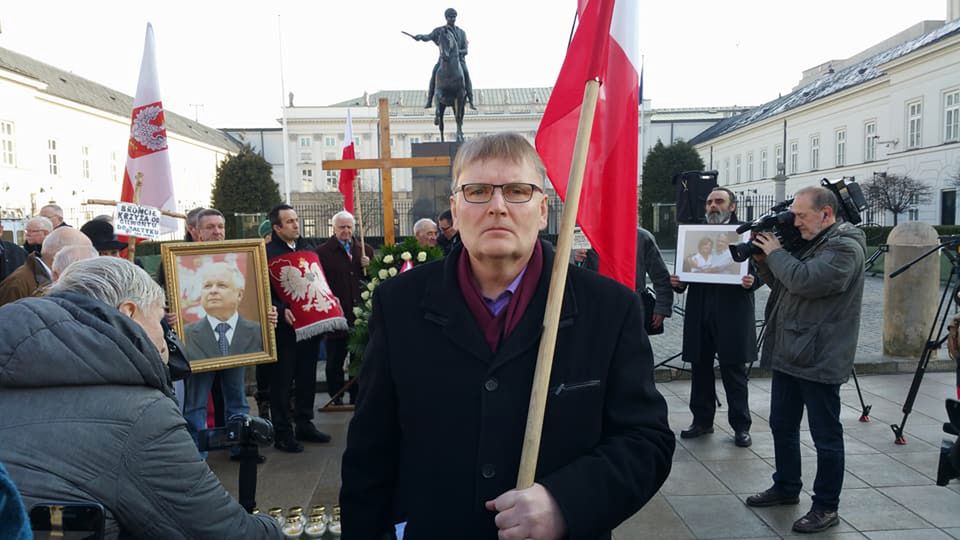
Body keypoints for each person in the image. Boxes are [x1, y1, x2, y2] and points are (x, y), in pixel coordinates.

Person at [341, 132, 674, 538]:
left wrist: (566, 502)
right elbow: (369, 452)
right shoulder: (399, 304)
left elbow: (646, 440)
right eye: (477, 191)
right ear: (455, 208)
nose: (497, 206)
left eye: (517, 191)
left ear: (542, 210)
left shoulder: (610, 308)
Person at [0, 257, 281, 538]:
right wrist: (274, 529)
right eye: (160, 320)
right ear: (129, 313)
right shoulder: (140, 414)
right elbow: (224, 532)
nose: (166, 336)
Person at [746, 186, 866, 534]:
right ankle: (786, 486)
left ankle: (826, 506)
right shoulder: (813, 242)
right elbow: (785, 285)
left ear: (826, 214)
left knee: (825, 436)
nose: (795, 222)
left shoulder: (845, 246)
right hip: (791, 351)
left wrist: (777, 253)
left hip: (820, 356)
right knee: (781, 425)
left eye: (802, 215)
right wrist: (764, 261)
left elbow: (806, 280)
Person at [671, 188, 757, 448]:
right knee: (699, 368)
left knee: (734, 370)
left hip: (733, 313)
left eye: (719, 201)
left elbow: (763, 268)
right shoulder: (695, 235)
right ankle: (702, 420)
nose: (712, 206)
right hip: (699, 312)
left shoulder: (746, 235)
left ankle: (741, 426)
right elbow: (686, 273)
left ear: (732, 207)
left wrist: (754, 281)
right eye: (709, 202)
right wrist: (677, 282)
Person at [182, 261, 265, 461]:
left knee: (237, 400)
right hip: (198, 360)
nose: (213, 291)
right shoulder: (187, 334)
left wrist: (268, 318)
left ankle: (240, 446)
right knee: (195, 404)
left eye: (222, 285)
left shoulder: (255, 330)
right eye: (207, 286)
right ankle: (196, 455)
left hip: (235, 358)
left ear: (239, 294)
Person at [266, 204, 332, 452]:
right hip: (284, 328)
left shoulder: (307, 247)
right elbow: (261, 291)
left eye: (296, 219)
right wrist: (280, 309)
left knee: (307, 377)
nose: (296, 224)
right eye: (290, 221)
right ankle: (283, 431)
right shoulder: (266, 253)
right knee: (282, 381)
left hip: (310, 325)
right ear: (277, 227)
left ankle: (305, 423)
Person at [316, 210, 372, 405]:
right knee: (334, 361)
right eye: (342, 227)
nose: (346, 231)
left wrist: (370, 266)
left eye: (349, 227)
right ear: (334, 228)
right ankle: (336, 397)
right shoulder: (322, 252)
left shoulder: (364, 250)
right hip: (336, 316)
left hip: (359, 316)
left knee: (358, 361)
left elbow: (372, 280)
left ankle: (357, 397)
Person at [572, 226, 673, 332]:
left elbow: (660, 275)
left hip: (632, 306)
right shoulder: (587, 236)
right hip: (598, 307)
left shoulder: (642, 237)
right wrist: (577, 259)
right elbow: (576, 275)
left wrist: (662, 307)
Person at [0, 226, 93, 307]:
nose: (86, 261)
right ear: (60, 253)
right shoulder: (19, 284)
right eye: (83, 255)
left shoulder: (49, 277)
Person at [412, 8, 476, 110]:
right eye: (450, 17)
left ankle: (471, 101)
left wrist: (456, 52)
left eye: (454, 17)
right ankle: (429, 100)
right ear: (446, 18)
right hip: (443, 61)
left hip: (459, 61)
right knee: (434, 73)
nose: (453, 19)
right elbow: (428, 37)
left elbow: (466, 50)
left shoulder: (462, 32)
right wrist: (420, 37)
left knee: (466, 75)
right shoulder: (440, 31)